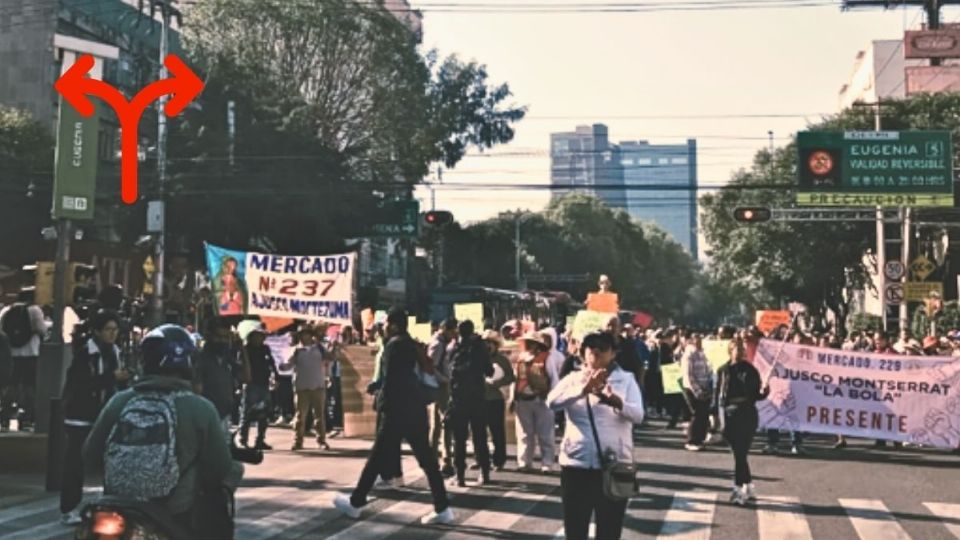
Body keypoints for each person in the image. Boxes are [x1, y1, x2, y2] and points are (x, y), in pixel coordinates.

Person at [83, 324, 242, 537]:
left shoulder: (120, 401)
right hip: (173, 510)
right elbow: (219, 468)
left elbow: (89, 454)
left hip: (115, 504)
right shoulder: (200, 408)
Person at [333, 308, 454, 525]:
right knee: (426, 459)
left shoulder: (394, 345)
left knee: (377, 456)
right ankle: (442, 507)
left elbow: (392, 379)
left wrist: (382, 402)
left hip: (396, 409)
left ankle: (356, 503)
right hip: (414, 408)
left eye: (387, 324)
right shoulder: (412, 344)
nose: (384, 327)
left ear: (395, 325)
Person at [546, 331, 644, 540]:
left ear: (613, 354)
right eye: (591, 348)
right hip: (576, 464)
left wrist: (616, 401)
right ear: (583, 353)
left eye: (603, 348)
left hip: (613, 464)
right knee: (575, 527)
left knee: (609, 529)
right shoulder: (573, 379)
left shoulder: (626, 379)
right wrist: (583, 389)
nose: (596, 352)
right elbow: (551, 403)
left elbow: (638, 415)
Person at [59, 310, 129, 525]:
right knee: (75, 463)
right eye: (108, 329)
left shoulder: (116, 352)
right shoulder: (85, 354)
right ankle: (69, 508)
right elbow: (81, 385)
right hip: (80, 415)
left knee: (111, 461)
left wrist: (123, 380)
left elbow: (117, 384)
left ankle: (110, 504)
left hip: (105, 414)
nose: (112, 334)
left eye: (115, 330)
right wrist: (111, 378)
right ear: (97, 331)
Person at [716, 336, 769, 506]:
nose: (739, 352)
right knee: (738, 453)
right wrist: (715, 417)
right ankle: (749, 484)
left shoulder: (751, 370)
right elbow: (718, 395)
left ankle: (738, 488)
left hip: (747, 413)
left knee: (740, 452)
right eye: (736, 349)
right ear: (730, 351)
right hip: (729, 414)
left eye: (741, 349)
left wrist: (765, 391)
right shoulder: (723, 370)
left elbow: (756, 395)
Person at [446, 320, 494, 487]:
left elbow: (449, 371)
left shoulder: (455, 348)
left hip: (459, 398)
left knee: (459, 438)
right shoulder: (481, 348)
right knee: (480, 436)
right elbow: (490, 371)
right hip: (478, 397)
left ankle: (460, 476)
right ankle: (485, 472)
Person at [195, 319, 251, 442]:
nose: (222, 341)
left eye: (226, 337)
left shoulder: (227, 359)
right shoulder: (199, 359)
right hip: (205, 418)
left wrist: (242, 349)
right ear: (209, 336)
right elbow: (197, 391)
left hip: (224, 416)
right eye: (218, 337)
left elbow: (246, 377)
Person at [0, 290, 47, 431]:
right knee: (30, 386)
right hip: (31, 353)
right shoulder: (34, 310)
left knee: (12, 386)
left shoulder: (8, 310)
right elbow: (42, 330)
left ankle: (5, 414)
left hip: (12, 354)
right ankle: (28, 416)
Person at [282, 326, 333, 451]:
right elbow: (289, 364)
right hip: (301, 387)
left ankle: (321, 440)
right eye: (303, 334)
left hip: (318, 386)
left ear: (311, 335)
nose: (305, 336)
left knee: (319, 416)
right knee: (300, 417)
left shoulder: (320, 348)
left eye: (307, 334)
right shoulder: (296, 350)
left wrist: (335, 348)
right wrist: (283, 366)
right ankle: (298, 441)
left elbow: (331, 358)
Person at [511, 332, 556, 472]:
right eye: (527, 343)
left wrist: (552, 399)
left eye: (532, 343)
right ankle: (524, 462)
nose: (529, 345)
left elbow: (553, 379)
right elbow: (516, 379)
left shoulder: (546, 358)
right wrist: (513, 398)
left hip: (542, 400)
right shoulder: (520, 359)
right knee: (524, 433)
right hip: (523, 400)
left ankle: (547, 463)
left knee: (545, 434)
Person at [427, 318, 458, 476]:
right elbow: (431, 366)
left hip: (439, 386)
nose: (454, 334)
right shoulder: (438, 344)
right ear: (445, 329)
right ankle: (445, 460)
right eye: (453, 331)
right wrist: (445, 379)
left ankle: (436, 460)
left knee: (439, 424)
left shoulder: (441, 342)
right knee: (444, 423)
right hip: (439, 388)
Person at [240, 327, 278, 450]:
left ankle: (260, 439)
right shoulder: (246, 350)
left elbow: (271, 363)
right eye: (256, 336)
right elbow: (241, 365)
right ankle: (243, 439)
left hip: (264, 384)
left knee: (264, 413)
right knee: (247, 413)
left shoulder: (265, 349)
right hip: (252, 384)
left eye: (261, 336)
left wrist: (275, 376)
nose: (259, 339)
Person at [482, 330, 515, 472]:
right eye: (485, 344)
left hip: (495, 399)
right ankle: (481, 459)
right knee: (480, 432)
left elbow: (510, 377)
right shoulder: (478, 358)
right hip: (479, 399)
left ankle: (499, 460)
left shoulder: (502, 359)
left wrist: (499, 382)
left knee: (497, 431)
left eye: (490, 343)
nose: (488, 346)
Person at [681, 334, 712, 451]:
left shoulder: (702, 353)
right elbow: (688, 375)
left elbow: (707, 370)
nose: (699, 341)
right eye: (696, 339)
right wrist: (697, 391)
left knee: (703, 415)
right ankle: (692, 441)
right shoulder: (689, 354)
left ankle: (700, 439)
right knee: (697, 414)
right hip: (692, 389)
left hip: (704, 388)